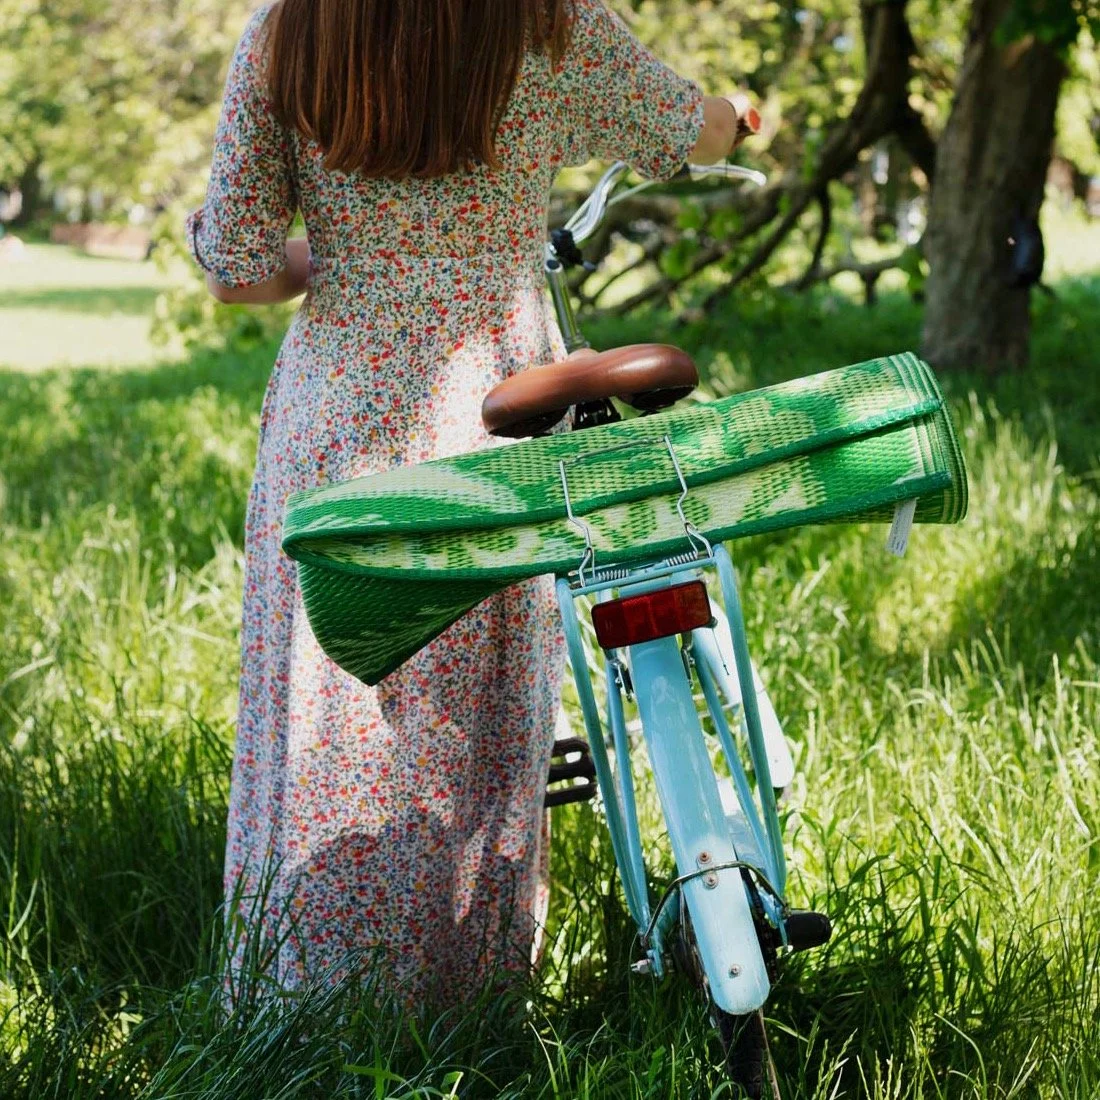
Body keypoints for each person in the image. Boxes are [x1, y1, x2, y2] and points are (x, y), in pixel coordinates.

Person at [187, 0, 755, 1009]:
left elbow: (235, 266)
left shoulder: (289, 31)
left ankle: (306, 997)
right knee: (475, 706)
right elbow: (685, 130)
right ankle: (467, 1002)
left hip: (339, 407)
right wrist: (736, 113)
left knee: (334, 696)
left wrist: (349, 256)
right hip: (493, 398)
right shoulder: (544, 20)